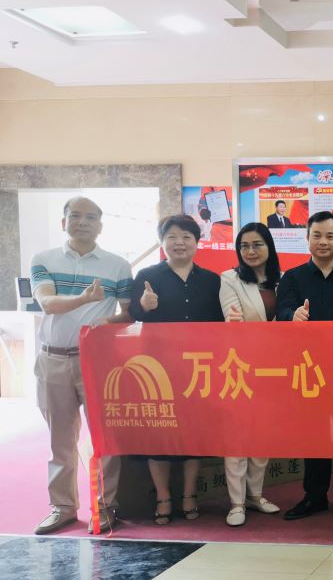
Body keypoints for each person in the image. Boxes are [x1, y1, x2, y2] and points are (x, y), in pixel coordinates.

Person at [30, 196, 134, 535]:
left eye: (91, 217)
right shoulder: (43, 259)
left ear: (100, 225)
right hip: (53, 358)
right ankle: (62, 507)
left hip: (98, 361)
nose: (83, 222)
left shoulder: (118, 266)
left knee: (105, 438)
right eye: (75, 216)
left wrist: (110, 321)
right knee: (60, 439)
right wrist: (85, 300)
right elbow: (47, 302)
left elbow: (128, 314)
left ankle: (105, 507)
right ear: (64, 223)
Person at [130, 215, 224, 524]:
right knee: (159, 434)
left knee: (192, 433)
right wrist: (143, 306)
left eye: (186, 237)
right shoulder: (147, 276)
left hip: (197, 368)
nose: (179, 242)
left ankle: (189, 495)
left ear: (197, 242)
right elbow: (132, 313)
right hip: (158, 369)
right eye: (171, 236)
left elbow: (219, 324)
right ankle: (163, 497)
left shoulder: (211, 280)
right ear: (162, 242)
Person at [278, 211, 333, 523]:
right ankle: (314, 497)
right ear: (307, 239)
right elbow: (282, 311)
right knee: (313, 436)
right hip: (309, 371)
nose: (323, 242)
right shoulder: (292, 278)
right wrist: (293, 316)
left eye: (330, 236)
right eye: (316, 235)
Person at [218, 222, 283, 527]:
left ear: (269, 246)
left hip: (275, 368)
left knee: (262, 434)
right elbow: (235, 322)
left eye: (257, 244)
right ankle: (236, 502)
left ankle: (256, 495)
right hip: (241, 367)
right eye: (244, 246)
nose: (251, 251)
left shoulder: (283, 280)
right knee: (237, 435)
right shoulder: (230, 279)